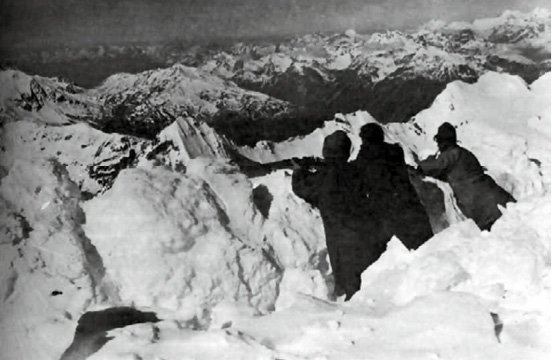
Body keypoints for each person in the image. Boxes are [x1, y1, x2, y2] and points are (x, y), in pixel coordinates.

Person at [292, 130, 385, 301]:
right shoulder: (356, 170)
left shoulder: (322, 177)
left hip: (341, 239)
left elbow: (302, 188)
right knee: (371, 281)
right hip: (368, 233)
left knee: (350, 286)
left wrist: (299, 171)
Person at [415, 122, 515, 231]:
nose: (437, 144)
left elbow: (436, 166)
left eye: (438, 141)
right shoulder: (465, 153)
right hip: (497, 196)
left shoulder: (451, 154)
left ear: (443, 142)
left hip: (481, 205)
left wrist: (423, 165)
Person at [352, 123, 433, 250]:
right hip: (410, 205)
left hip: (389, 213)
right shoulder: (395, 151)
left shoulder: (364, 158)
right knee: (428, 246)